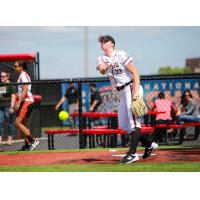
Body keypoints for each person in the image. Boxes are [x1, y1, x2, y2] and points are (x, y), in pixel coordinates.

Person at [96, 35, 158, 164]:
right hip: (121, 93)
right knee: (124, 124)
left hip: (130, 88)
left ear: (112, 44)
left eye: (105, 41)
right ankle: (149, 143)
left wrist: (135, 93)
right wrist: (107, 66)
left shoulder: (121, 54)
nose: (102, 43)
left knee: (133, 122)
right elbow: (101, 69)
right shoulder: (101, 57)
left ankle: (132, 154)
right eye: (101, 41)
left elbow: (135, 72)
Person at [14, 61, 39, 151]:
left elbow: (24, 91)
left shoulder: (23, 75)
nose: (14, 67)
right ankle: (27, 145)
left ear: (21, 67)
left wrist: (18, 102)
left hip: (27, 101)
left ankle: (32, 141)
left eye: (16, 66)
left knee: (17, 123)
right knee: (23, 124)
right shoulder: (22, 75)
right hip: (27, 101)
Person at [0, 71, 16, 145]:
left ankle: (9, 140)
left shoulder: (10, 85)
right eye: (1, 76)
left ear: (7, 77)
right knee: (0, 123)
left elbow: (13, 96)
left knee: (10, 123)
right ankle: (0, 140)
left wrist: (12, 107)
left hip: (7, 106)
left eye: (3, 76)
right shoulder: (0, 85)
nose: (1, 78)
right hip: (0, 107)